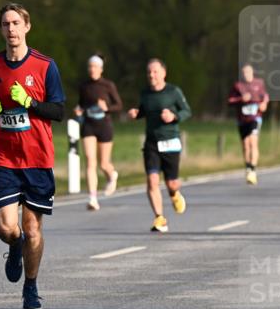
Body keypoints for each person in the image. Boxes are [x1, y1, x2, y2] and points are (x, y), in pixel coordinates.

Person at [0, 3, 65, 309]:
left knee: (32, 229)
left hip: (37, 160)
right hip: (5, 158)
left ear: (26, 27)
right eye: (5, 24)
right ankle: (13, 245)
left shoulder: (45, 66)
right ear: (1, 29)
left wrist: (30, 101)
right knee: (6, 228)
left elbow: (58, 111)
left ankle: (30, 287)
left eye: (16, 23)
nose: (11, 29)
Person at [127, 59, 192, 232]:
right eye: (149, 72)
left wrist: (173, 116)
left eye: (155, 71)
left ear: (164, 73)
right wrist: (136, 113)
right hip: (152, 143)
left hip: (170, 141)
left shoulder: (173, 92)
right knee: (152, 180)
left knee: (171, 183)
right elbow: (144, 110)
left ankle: (174, 194)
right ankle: (159, 218)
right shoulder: (145, 93)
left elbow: (187, 111)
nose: (151, 75)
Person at [75, 54, 122, 210]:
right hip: (88, 125)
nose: (92, 69)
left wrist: (106, 108)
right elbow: (82, 104)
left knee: (103, 163)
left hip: (104, 126)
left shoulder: (108, 85)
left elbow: (119, 105)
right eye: (90, 66)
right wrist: (79, 110)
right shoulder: (84, 86)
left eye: (95, 66)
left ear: (101, 69)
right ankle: (92, 198)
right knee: (89, 160)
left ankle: (112, 174)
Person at [228, 63, 269, 185]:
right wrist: (241, 99)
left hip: (255, 117)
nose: (246, 75)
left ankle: (253, 170)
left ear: (252, 73)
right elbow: (230, 100)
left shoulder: (259, 83)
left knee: (253, 141)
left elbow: (265, 96)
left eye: (248, 72)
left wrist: (264, 104)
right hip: (242, 119)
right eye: (244, 73)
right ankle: (247, 167)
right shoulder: (238, 86)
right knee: (246, 145)